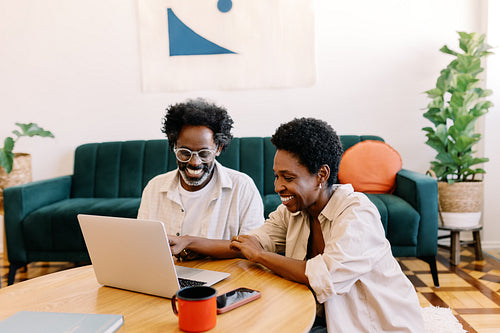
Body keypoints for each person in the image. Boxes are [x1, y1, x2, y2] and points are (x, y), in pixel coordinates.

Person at [169, 117, 424, 332]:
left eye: (288, 177)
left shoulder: (357, 215)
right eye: (276, 175)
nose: (278, 186)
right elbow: (248, 244)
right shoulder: (295, 211)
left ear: (321, 175)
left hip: (370, 326)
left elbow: (324, 277)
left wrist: (260, 255)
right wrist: (190, 241)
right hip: (322, 318)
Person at [137, 98, 264, 258]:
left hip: (226, 277)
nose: (194, 162)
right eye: (184, 152)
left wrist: (191, 243)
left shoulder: (242, 187)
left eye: (204, 154)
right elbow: (142, 245)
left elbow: (254, 247)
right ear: (174, 146)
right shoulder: (154, 188)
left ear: (218, 148)